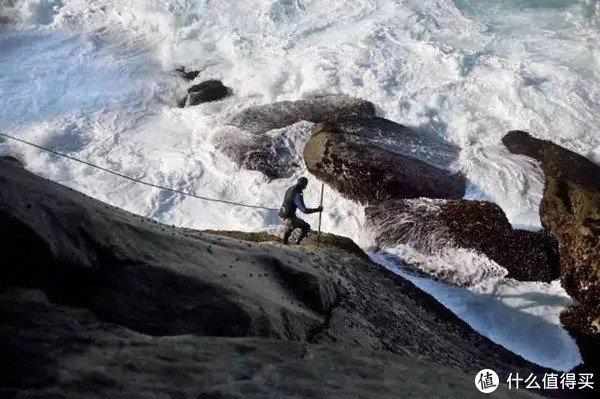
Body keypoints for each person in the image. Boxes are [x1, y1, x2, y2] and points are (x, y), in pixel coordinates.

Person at [279, 177, 323, 244]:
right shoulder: (297, 194)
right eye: (306, 185)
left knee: (295, 221)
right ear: (304, 185)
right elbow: (304, 210)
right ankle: (295, 243)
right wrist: (318, 209)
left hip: (282, 214)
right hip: (289, 219)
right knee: (306, 226)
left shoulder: (290, 188)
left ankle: (286, 241)